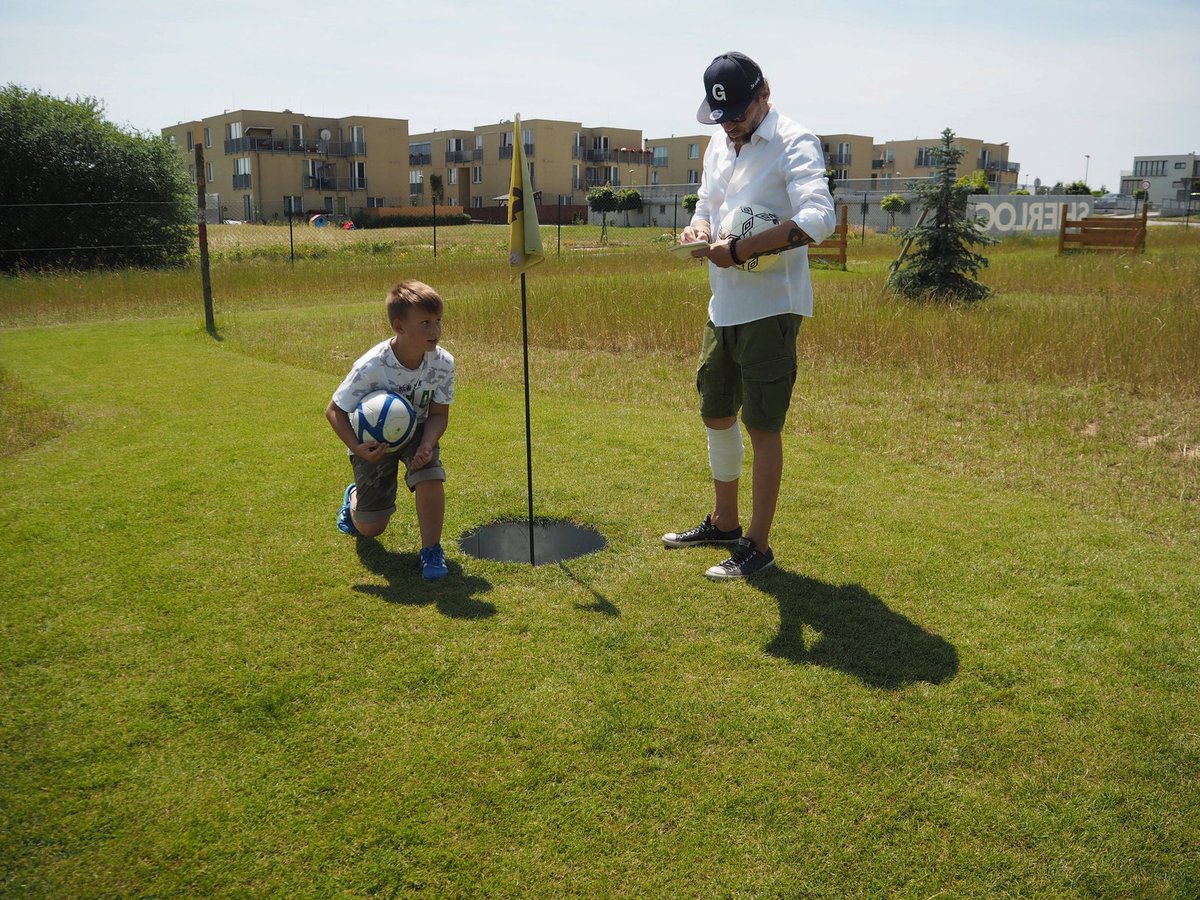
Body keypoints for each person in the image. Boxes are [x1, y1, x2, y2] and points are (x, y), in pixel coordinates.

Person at [663, 51, 836, 581]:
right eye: (723, 117)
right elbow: (707, 203)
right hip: (725, 303)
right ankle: (725, 522)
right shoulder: (721, 141)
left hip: (772, 306)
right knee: (716, 408)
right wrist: (697, 230)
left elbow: (819, 218)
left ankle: (757, 546)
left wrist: (738, 250)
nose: (731, 126)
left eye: (738, 113)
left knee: (762, 424)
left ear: (765, 95)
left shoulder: (794, 140)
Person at [326, 279, 455, 581]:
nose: (435, 331)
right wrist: (357, 448)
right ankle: (355, 497)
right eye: (424, 323)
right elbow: (334, 410)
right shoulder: (371, 366)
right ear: (399, 326)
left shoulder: (443, 363)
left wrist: (427, 443)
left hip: (418, 429)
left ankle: (432, 550)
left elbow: (438, 414)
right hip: (371, 440)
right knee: (371, 529)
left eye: (438, 321)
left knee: (430, 475)